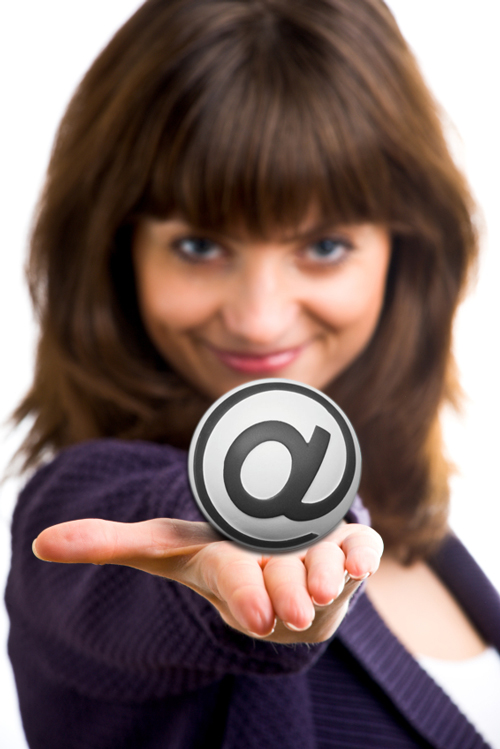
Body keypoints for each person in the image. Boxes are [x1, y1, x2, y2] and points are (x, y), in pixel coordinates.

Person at [5, 0, 500, 747]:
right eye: (200, 244)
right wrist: (245, 547)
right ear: (115, 252)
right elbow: (141, 569)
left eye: (325, 245)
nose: (261, 319)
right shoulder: (91, 511)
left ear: (406, 253)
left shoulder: (421, 530)